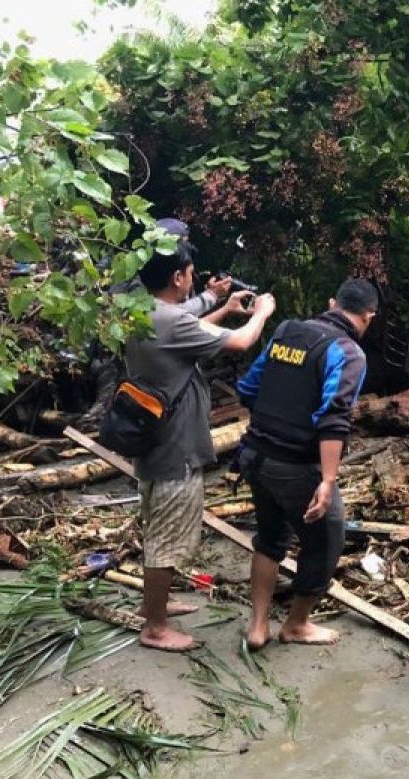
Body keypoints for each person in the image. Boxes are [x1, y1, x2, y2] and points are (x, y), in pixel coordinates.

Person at [125, 240, 276, 652]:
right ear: (177, 277)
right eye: (189, 273)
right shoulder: (171, 321)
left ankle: (156, 604)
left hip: (152, 440)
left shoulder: (143, 312)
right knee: (165, 537)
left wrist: (221, 306)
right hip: (174, 446)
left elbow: (185, 324)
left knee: (157, 526)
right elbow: (242, 343)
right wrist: (261, 313)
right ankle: (155, 627)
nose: (193, 280)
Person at [235, 279, 379, 649]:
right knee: (327, 538)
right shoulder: (348, 352)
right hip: (296, 466)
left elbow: (248, 388)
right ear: (369, 317)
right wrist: (327, 481)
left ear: (332, 301)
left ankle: (257, 626)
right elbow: (334, 417)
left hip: (254, 455)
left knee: (270, 537)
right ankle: (296, 624)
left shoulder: (286, 331)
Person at [84, 218, 240, 424]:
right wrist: (210, 297)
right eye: (181, 243)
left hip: (140, 358)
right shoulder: (144, 274)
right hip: (115, 357)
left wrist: (218, 301)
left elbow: (180, 318)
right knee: (115, 411)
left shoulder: (159, 270)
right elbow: (166, 317)